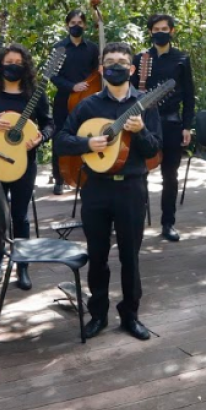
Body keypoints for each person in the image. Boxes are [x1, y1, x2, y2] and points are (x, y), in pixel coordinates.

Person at [55, 42, 162, 341]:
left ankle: (131, 314)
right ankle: (98, 314)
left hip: (131, 189)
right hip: (96, 189)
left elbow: (155, 149)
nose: (116, 66)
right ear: (102, 69)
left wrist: (140, 130)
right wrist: (87, 144)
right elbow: (61, 140)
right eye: (110, 62)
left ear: (131, 69)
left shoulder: (145, 103)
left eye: (122, 62)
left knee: (130, 256)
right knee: (98, 254)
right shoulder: (88, 105)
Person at [0, 44, 54, 292]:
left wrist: (41, 138)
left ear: (25, 65)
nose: (12, 66)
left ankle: (22, 267)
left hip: (25, 162)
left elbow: (49, 124)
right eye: (8, 62)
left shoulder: (34, 93)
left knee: (20, 216)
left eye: (18, 61)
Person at [131, 14, 194, 242]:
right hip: (144, 125)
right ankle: (136, 221)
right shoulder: (140, 59)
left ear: (172, 31)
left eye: (164, 28)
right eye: (156, 28)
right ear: (150, 32)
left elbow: (189, 95)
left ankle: (168, 223)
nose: (160, 32)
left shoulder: (182, 59)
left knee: (170, 175)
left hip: (171, 123)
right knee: (139, 174)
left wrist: (187, 126)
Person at [50, 9, 100, 194]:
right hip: (64, 100)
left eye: (80, 23)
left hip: (86, 100)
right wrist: (72, 86)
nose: (76, 26)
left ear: (85, 25)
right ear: (67, 26)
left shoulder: (93, 49)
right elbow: (53, 77)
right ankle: (59, 178)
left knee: (85, 135)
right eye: (73, 23)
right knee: (60, 137)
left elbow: (97, 74)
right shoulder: (59, 48)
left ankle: (84, 175)